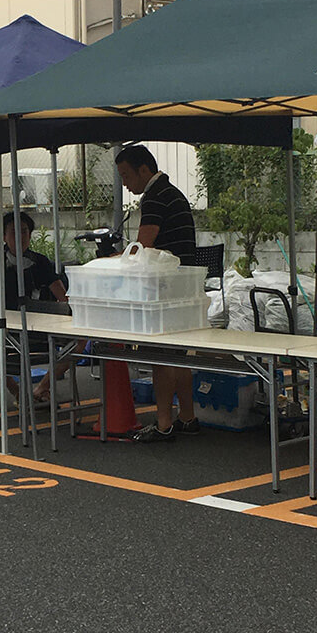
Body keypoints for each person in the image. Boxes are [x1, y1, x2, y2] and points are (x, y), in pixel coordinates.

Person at [116, 144, 199, 442]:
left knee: (161, 356)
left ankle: (164, 424)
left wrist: (114, 261)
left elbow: (143, 247)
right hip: (184, 284)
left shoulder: (154, 197)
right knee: (180, 355)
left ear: (143, 170)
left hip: (165, 287)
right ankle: (187, 417)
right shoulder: (172, 192)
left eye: (126, 176)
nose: (125, 183)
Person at [0, 211, 82, 404]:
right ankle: (17, 392)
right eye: (13, 232)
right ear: (4, 236)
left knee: (81, 340)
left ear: (30, 235)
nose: (20, 237)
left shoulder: (40, 262)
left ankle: (43, 387)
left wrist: (73, 316)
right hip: (2, 326)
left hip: (37, 327)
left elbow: (63, 297)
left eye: (24, 231)